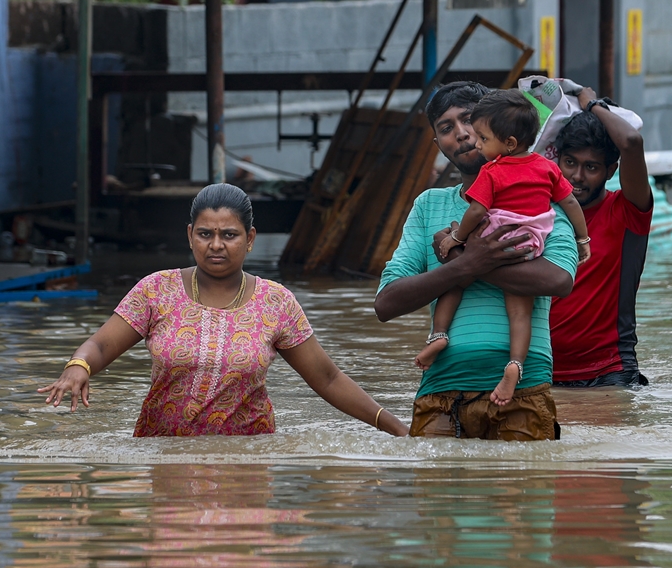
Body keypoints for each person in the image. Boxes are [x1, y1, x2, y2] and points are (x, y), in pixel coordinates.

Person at [39, 183, 409, 436]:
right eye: (205, 234)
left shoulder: (275, 301)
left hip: (246, 459)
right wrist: (78, 366)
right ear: (189, 236)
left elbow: (326, 378)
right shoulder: (157, 289)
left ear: (249, 239)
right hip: (163, 453)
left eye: (229, 235)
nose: (216, 245)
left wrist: (394, 427)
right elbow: (102, 345)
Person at [375, 81, 578, 440]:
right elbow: (387, 302)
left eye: (469, 120)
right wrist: (463, 265)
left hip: (523, 391)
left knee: (521, 495)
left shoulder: (541, 197)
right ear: (438, 145)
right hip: (440, 392)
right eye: (446, 128)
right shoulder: (429, 206)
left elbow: (559, 279)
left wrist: (465, 257)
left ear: (496, 125)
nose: (463, 135)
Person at [421, 89, 591, 406]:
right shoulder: (546, 167)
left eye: (483, 138)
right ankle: (515, 364)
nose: (474, 141)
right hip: (531, 242)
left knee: (455, 280)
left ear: (508, 143)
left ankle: (439, 335)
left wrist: (458, 243)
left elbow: (475, 211)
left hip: (496, 234)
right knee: (520, 312)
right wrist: (584, 240)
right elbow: (570, 202)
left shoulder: (493, 171)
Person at [546, 88, 655, 387]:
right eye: (570, 163)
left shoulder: (626, 212)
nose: (577, 176)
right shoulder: (541, 215)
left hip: (609, 373)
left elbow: (631, 142)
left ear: (610, 171)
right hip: (541, 372)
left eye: (591, 167)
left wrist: (591, 105)